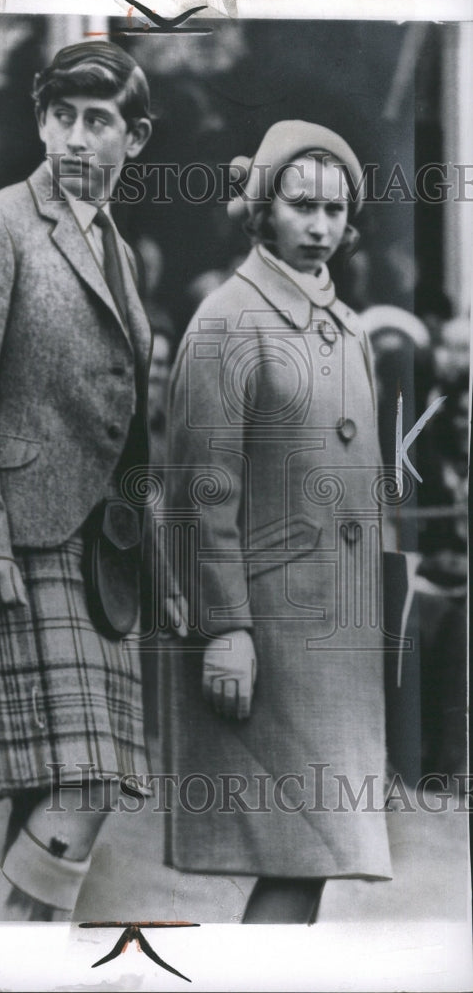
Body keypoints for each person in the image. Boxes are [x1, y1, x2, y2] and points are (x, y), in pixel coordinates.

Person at [0, 41, 176, 921]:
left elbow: (128, 431)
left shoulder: (116, 252)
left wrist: (160, 574)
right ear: (40, 120)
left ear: (133, 139)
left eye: (98, 122)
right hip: (20, 545)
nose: (74, 138)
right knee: (85, 782)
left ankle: (21, 966)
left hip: (99, 560)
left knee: (56, 791)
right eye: (61, 116)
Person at [164, 121, 394, 923]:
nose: (321, 226)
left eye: (335, 209)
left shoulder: (353, 327)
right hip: (273, 635)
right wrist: (226, 628)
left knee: (314, 861)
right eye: (302, 205)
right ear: (262, 210)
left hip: (338, 643)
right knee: (302, 855)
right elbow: (201, 488)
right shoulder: (229, 319)